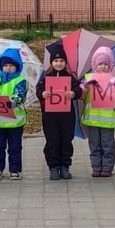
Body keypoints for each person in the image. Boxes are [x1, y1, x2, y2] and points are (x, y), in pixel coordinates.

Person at [35, 40, 82, 181]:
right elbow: (38, 90)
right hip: (49, 116)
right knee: (52, 141)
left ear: (65, 62)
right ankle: (53, 166)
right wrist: (43, 94)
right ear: (51, 63)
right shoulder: (45, 77)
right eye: (56, 61)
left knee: (67, 140)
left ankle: (65, 166)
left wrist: (73, 93)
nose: (59, 63)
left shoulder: (70, 77)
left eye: (61, 60)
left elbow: (79, 90)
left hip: (67, 115)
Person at [0, 47, 28, 180]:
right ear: (1, 66)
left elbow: (20, 94)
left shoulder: (21, 81)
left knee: (15, 147)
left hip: (15, 121)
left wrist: (13, 101)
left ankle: (15, 169)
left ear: (17, 66)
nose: (8, 68)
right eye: (5, 65)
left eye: (11, 65)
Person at [80, 45, 115, 177]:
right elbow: (81, 97)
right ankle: (96, 167)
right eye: (100, 64)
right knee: (94, 145)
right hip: (92, 119)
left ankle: (107, 168)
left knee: (108, 145)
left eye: (105, 64)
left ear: (110, 65)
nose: (103, 66)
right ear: (94, 65)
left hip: (108, 120)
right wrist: (85, 86)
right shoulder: (88, 79)